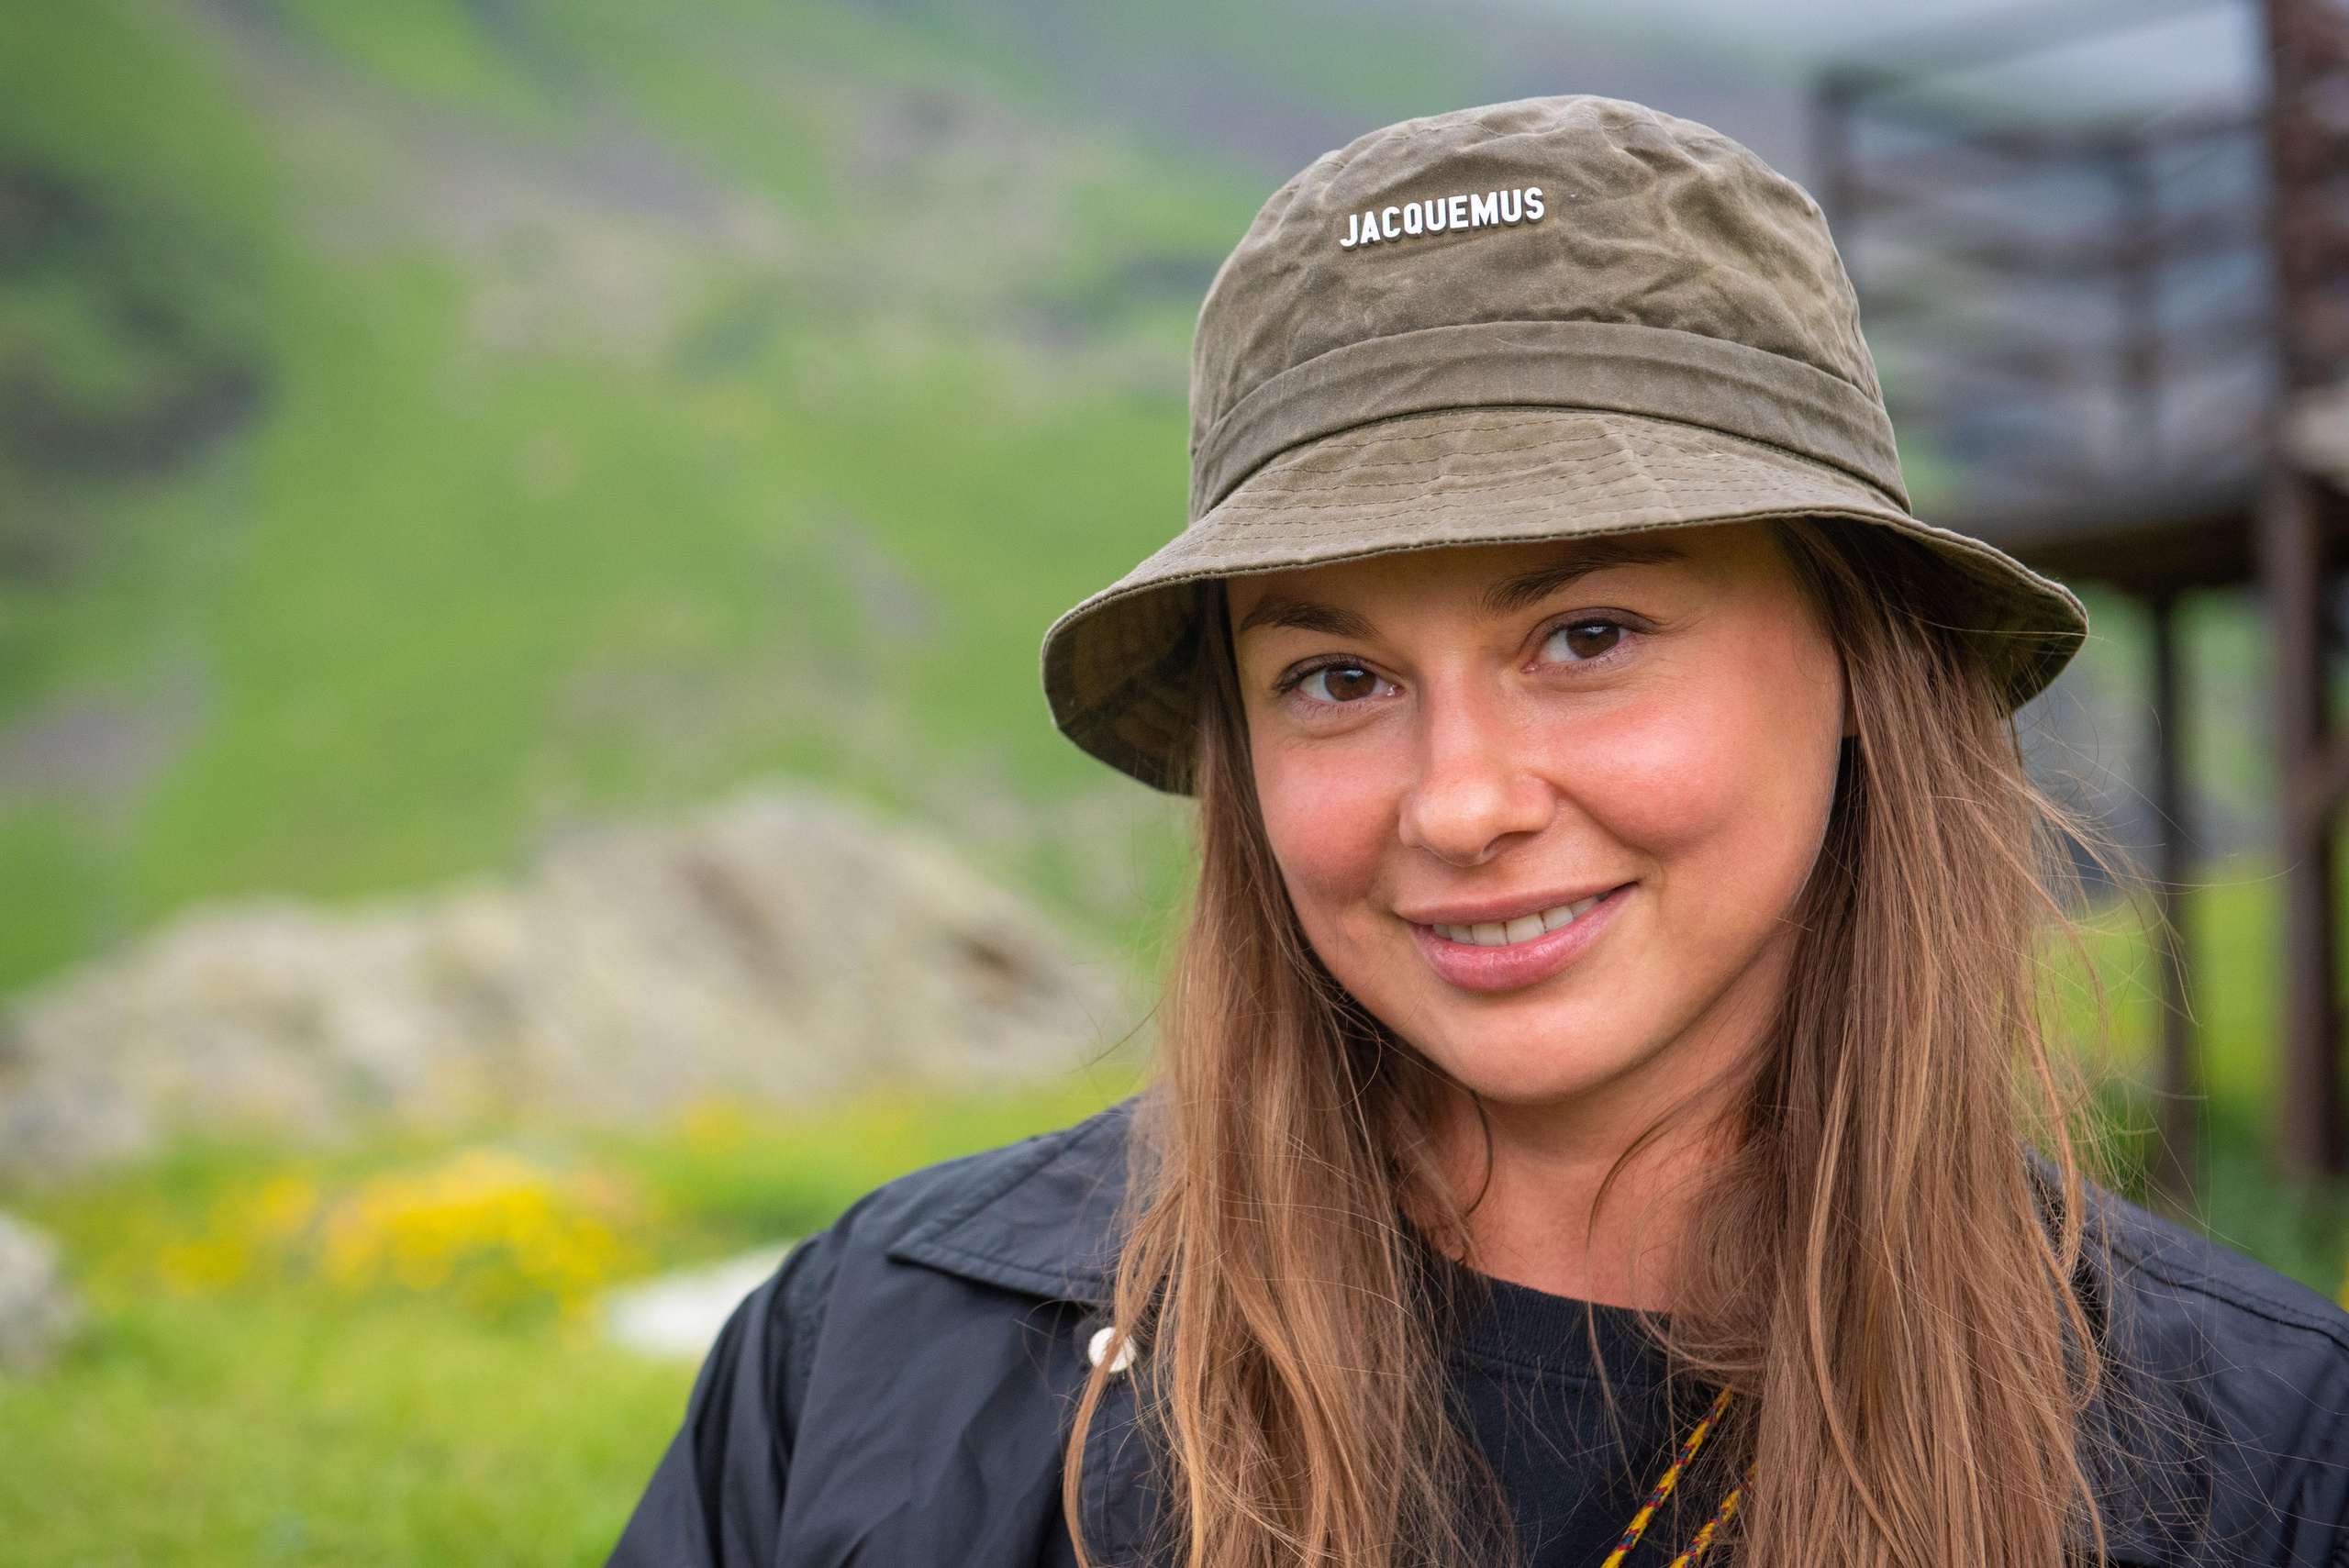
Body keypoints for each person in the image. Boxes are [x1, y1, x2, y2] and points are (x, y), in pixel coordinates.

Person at [608, 96, 2349, 1568]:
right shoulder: (876, 1351)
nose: (1459, 802)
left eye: (1586, 636)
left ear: (1857, 657)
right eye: (1337, 677)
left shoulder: (2270, 1467)